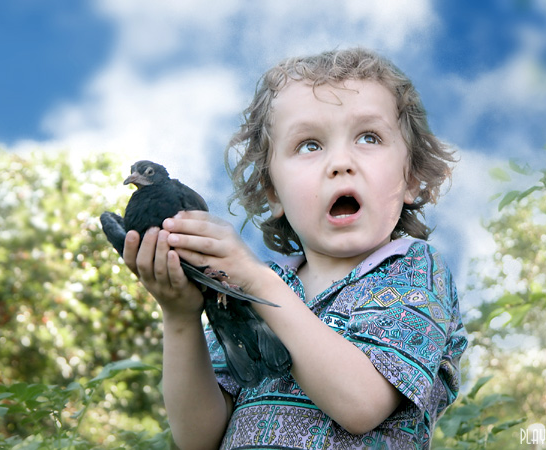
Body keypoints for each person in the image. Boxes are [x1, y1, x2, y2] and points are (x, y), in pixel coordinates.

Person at [123, 47, 468, 449]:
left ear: (411, 179)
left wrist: (257, 283)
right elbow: (199, 439)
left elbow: (361, 404)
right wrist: (181, 317)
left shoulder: (414, 272)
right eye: (309, 145)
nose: (340, 162)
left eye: (368, 137)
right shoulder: (254, 287)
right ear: (273, 192)